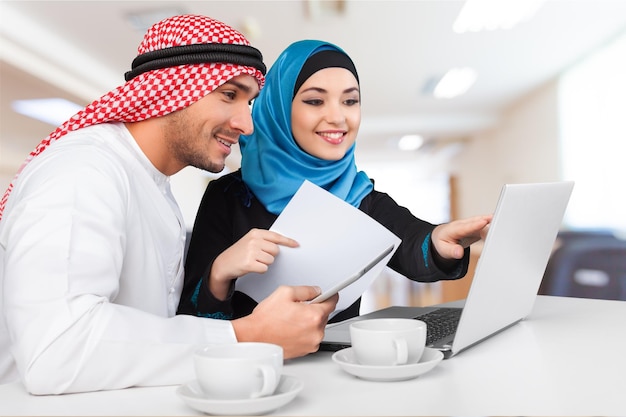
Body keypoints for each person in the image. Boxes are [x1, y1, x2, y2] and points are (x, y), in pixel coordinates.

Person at [0, 16, 338, 395]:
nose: (247, 124)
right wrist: (243, 335)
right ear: (172, 88)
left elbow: (148, 336)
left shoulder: (153, 186)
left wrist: (218, 279)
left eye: (250, 101)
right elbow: (56, 350)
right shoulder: (83, 172)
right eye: (229, 94)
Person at [178, 40, 491, 322]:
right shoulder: (228, 196)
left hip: (339, 373)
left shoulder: (358, 194)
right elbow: (191, 318)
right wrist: (219, 273)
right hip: (256, 375)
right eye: (315, 101)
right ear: (280, 110)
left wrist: (440, 240)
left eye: (350, 101)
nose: (338, 117)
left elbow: (412, 244)